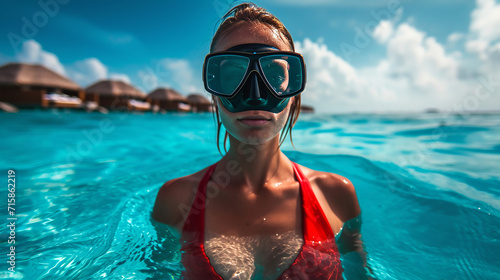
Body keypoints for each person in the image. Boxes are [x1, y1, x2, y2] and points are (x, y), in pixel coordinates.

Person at [152, 3, 371, 279]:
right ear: (214, 93)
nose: (255, 95)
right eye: (232, 76)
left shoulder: (336, 195)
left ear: (294, 91)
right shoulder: (175, 200)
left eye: (275, 75)